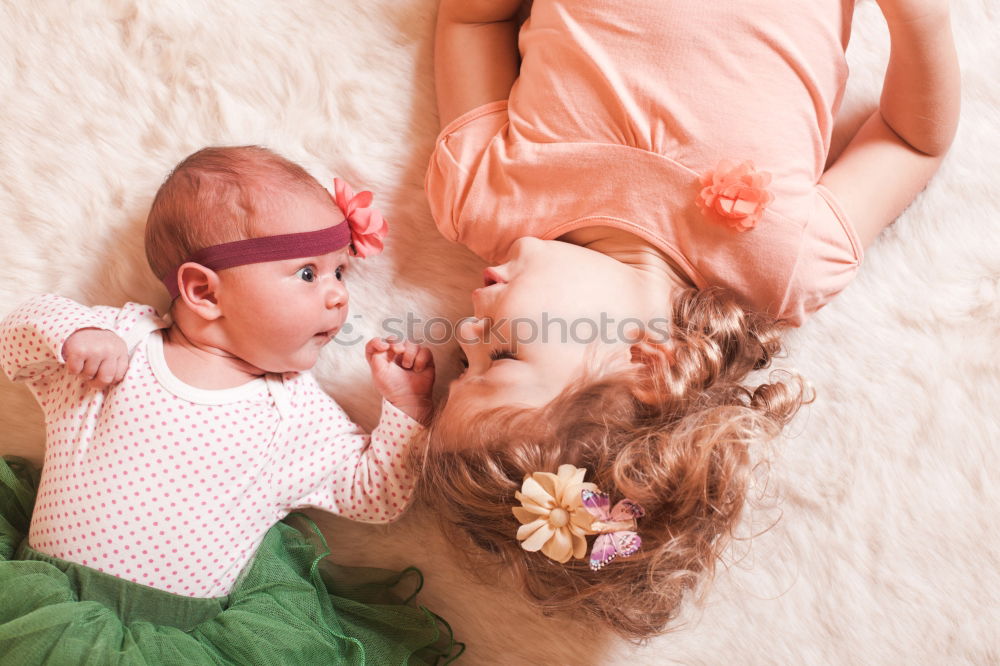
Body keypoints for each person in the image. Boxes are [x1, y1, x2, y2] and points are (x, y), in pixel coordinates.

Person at [421, 0, 960, 639]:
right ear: (651, 363)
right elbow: (909, 140)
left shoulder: (479, 198)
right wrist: (919, 20)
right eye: (500, 358)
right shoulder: (782, 266)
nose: (465, 330)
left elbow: (472, 22)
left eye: (463, 363)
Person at [0, 146, 461, 663]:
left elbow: (371, 496)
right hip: (40, 611)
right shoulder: (120, 343)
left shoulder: (295, 411)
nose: (337, 296)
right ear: (204, 291)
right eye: (309, 274)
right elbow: (15, 341)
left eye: (340, 274)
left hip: (188, 644)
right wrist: (74, 332)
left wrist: (406, 409)